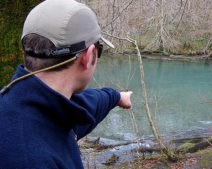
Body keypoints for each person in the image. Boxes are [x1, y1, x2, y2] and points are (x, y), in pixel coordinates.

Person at [0, 0, 132, 168]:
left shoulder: (30, 104)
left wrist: (117, 97)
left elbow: (89, 104)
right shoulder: (32, 160)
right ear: (88, 56)